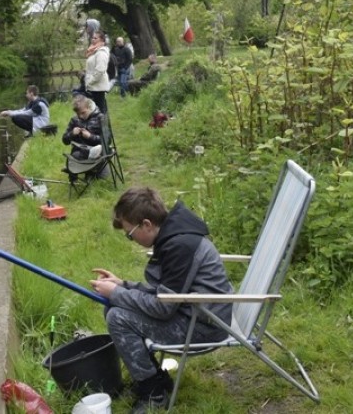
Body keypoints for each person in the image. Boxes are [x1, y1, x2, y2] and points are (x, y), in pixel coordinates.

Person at [90, 188, 234, 413]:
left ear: (147, 224)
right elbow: (163, 293)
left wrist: (116, 294)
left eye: (130, 233)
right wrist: (122, 285)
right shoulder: (174, 235)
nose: (131, 239)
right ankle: (156, 380)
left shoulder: (179, 246)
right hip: (194, 314)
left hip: (204, 327)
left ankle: (153, 394)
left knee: (118, 317)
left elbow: (163, 307)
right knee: (114, 308)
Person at [62, 94, 104, 160]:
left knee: (99, 151)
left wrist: (90, 136)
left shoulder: (100, 118)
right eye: (78, 114)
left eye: (83, 113)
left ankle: (92, 154)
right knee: (75, 156)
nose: (81, 116)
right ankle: (89, 156)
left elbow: (107, 140)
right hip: (80, 152)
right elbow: (64, 140)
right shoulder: (74, 120)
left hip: (97, 149)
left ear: (88, 107)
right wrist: (72, 133)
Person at [84, 31, 111, 114]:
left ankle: (103, 127)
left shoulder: (101, 52)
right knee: (97, 112)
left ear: (102, 40)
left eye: (95, 38)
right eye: (92, 38)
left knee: (99, 112)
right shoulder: (94, 51)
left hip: (98, 87)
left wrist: (90, 82)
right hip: (94, 87)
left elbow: (100, 71)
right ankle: (101, 127)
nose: (93, 40)